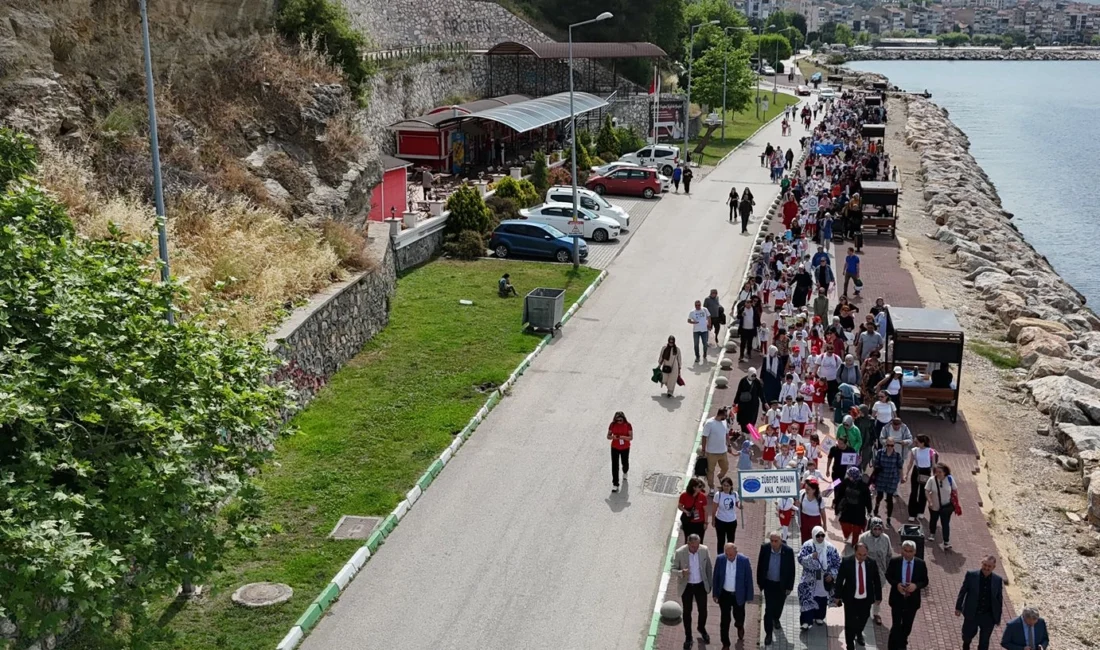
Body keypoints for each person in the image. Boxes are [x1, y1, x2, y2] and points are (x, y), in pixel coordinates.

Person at [834, 542, 882, 650]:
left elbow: (876, 580)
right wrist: (837, 596)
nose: (862, 557)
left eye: (864, 555)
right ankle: (850, 644)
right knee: (849, 623)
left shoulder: (871, 563)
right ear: (855, 552)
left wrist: (878, 596)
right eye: (859, 554)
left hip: (866, 599)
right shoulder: (847, 562)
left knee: (863, 620)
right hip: (851, 599)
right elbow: (840, 580)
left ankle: (859, 633)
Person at [673, 534, 714, 649]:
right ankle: (688, 637)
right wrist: (681, 573)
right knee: (687, 612)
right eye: (693, 547)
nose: (696, 549)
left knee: (703, 610)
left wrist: (710, 584)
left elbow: (709, 568)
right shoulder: (680, 552)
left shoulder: (704, 550)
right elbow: (673, 569)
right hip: (687, 586)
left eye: (697, 546)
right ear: (688, 543)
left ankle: (701, 628)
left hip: (701, 585)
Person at [886, 540, 929, 650]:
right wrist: (897, 585)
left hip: (912, 601)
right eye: (905, 551)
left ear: (915, 552)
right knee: (896, 626)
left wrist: (916, 586)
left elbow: (925, 581)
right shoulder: (895, 561)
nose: (908, 554)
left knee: (907, 627)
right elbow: (888, 575)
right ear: (902, 551)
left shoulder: (920, 564)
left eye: (910, 551)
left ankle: (902, 643)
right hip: (897, 599)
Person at [956, 555, 1005, 650]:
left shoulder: (997, 580)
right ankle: (966, 645)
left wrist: (998, 618)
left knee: (984, 642)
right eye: (985, 565)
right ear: (982, 564)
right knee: (966, 636)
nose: (986, 568)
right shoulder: (971, 575)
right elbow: (963, 591)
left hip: (988, 616)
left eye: (989, 566)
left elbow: (999, 599)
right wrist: (958, 607)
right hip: (972, 613)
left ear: (993, 567)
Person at [797, 525, 841, 630]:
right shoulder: (807, 545)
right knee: (807, 598)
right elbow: (800, 559)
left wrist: (832, 575)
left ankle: (819, 617)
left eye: (822, 535)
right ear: (813, 535)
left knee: (821, 598)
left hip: (824, 580)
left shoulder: (830, 548)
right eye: (818, 536)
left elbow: (838, 563)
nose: (820, 538)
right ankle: (806, 622)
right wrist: (811, 557)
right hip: (809, 579)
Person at [757, 530, 796, 646]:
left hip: (781, 585)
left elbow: (792, 570)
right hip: (769, 584)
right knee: (768, 609)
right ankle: (768, 633)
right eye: (772, 541)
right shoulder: (765, 548)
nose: (773, 543)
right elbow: (760, 565)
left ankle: (776, 618)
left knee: (779, 605)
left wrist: (789, 587)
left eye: (776, 541)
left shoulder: (788, 551)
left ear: (780, 540)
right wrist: (760, 582)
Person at [712, 542, 754, 647]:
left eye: (731, 554)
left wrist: (749, 596)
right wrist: (715, 594)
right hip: (724, 594)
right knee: (725, 619)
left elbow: (749, 579)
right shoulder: (720, 559)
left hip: (738, 595)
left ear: (736, 552)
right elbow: (716, 577)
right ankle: (725, 643)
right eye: (727, 554)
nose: (729, 556)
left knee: (739, 615)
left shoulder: (744, 561)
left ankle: (739, 626)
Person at [859, 518, 892, 626]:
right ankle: (864, 610)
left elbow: (889, 554)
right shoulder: (863, 537)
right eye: (875, 528)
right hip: (866, 569)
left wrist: (887, 569)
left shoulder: (886, 538)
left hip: (880, 570)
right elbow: (859, 553)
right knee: (865, 590)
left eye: (879, 528)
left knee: (878, 592)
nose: (877, 530)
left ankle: (876, 613)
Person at [837, 466, 873, 549]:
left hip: (859, 511)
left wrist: (869, 509)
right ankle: (847, 535)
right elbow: (840, 493)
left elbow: (868, 499)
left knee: (857, 530)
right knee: (844, 524)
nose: (848, 476)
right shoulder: (846, 482)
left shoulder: (863, 486)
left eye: (849, 475)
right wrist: (836, 502)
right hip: (847, 509)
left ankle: (855, 546)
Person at [903, 435, 936, 522]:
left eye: (916, 442)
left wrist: (935, 476)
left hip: (926, 472)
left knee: (923, 492)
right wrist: (906, 474)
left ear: (922, 443)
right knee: (914, 492)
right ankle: (912, 513)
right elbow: (910, 463)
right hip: (917, 471)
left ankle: (920, 511)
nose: (915, 444)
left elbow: (934, 465)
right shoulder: (914, 450)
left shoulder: (931, 451)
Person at [926, 462, 958, 550]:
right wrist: (930, 501)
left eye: (940, 472)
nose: (938, 474)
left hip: (946, 506)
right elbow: (926, 490)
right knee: (933, 520)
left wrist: (955, 503)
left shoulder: (950, 479)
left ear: (945, 472)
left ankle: (946, 542)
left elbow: (955, 490)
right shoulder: (932, 480)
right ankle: (932, 533)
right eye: (936, 472)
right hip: (934, 505)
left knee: (945, 524)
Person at [872, 438, 904, 526]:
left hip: (891, 479)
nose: (890, 447)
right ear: (885, 444)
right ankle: (876, 507)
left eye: (892, 445)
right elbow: (875, 463)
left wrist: (902, 478)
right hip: (881, 477)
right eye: (888, 445)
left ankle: (888, 517)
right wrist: (877, 468)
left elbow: (900, 467)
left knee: (889, 498)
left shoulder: (897, 455)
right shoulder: (880, 453)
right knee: (880, 495)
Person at [701, 408, 732, 486]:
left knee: (725, 468)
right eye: (725, 416)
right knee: (710, 471)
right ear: (721, 415)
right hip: (711, 453)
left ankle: (720, 476)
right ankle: (711, 487)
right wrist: (703, 450)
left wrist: (729, 445)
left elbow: (726, 434)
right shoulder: (709, 423)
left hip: (723, 451)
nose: (726, 417)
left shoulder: (724, 422)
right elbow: (704, 436)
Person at [711, 477, 743, 550]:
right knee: (721, 541)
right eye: (724, 485)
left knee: (731, 541)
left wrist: (739, 505)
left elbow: (737, 503)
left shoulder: (735, 494)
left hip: (732, 521)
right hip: (720, 521)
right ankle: (720, 557)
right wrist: (713, 520)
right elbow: (714, 509)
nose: (726, 487)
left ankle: (730, 555)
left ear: (731, 486)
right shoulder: (718, 495)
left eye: (727, 485)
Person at [607, 411, 632, 492]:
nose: (619, 422)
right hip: (614, 447)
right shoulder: (612, 424)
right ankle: (615, 484)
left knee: (625, 463)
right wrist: (613, 437)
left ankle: (625, 471)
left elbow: (630, 437)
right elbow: (608, 436)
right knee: (615, 465)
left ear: (623, 419)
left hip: (625, 447)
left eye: (620, 420)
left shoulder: (628, 425)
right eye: (617, 420)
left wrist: (621, 437)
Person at [734, 368, 765, 434]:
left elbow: (761, 393)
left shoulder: (757, 382)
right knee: (743, 418)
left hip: (753, 405)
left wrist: (764, 402)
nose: (753, 377)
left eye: (754, 376)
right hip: (743, 404)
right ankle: (743, 431)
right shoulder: (743, 381)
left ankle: (749, 432)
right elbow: (739, 392)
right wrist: (735, 402)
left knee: (752, 419)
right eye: (752, 375)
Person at [679, 478, 709, 542]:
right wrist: (686, 511)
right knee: (688, 540)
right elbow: (680, 506)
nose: (701, 488)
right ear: (694, 487)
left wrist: (705, 523)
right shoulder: (684, 495)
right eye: (699, 486)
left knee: (699, 541)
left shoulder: (702, 497)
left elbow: (706, 511)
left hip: (699, 523)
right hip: (688, 522)